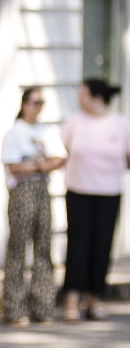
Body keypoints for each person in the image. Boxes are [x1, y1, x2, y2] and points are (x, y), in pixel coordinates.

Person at [61, 77, 130, 321]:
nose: (79, 99)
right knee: (78, 246)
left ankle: (94, 299)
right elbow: (66, 150)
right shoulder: (75, 122)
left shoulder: (120, 124)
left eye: (83, 94)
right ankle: (71, 300)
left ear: (97, 98)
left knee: (102, 246)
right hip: (79, 192)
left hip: (109, 193)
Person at [0, 85, 66, 325]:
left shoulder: (47, 131)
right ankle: (14, 307)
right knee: (18, 247)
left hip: (41, 189)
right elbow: (14, 167)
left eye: (41, 103)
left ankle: (42, 305)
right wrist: (41, 165)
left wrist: (37, 165)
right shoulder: (15, 133)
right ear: (25, 104)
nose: (38, 108)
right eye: (35, 102)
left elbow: (60, 158)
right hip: (22, 192)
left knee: (43, 247)